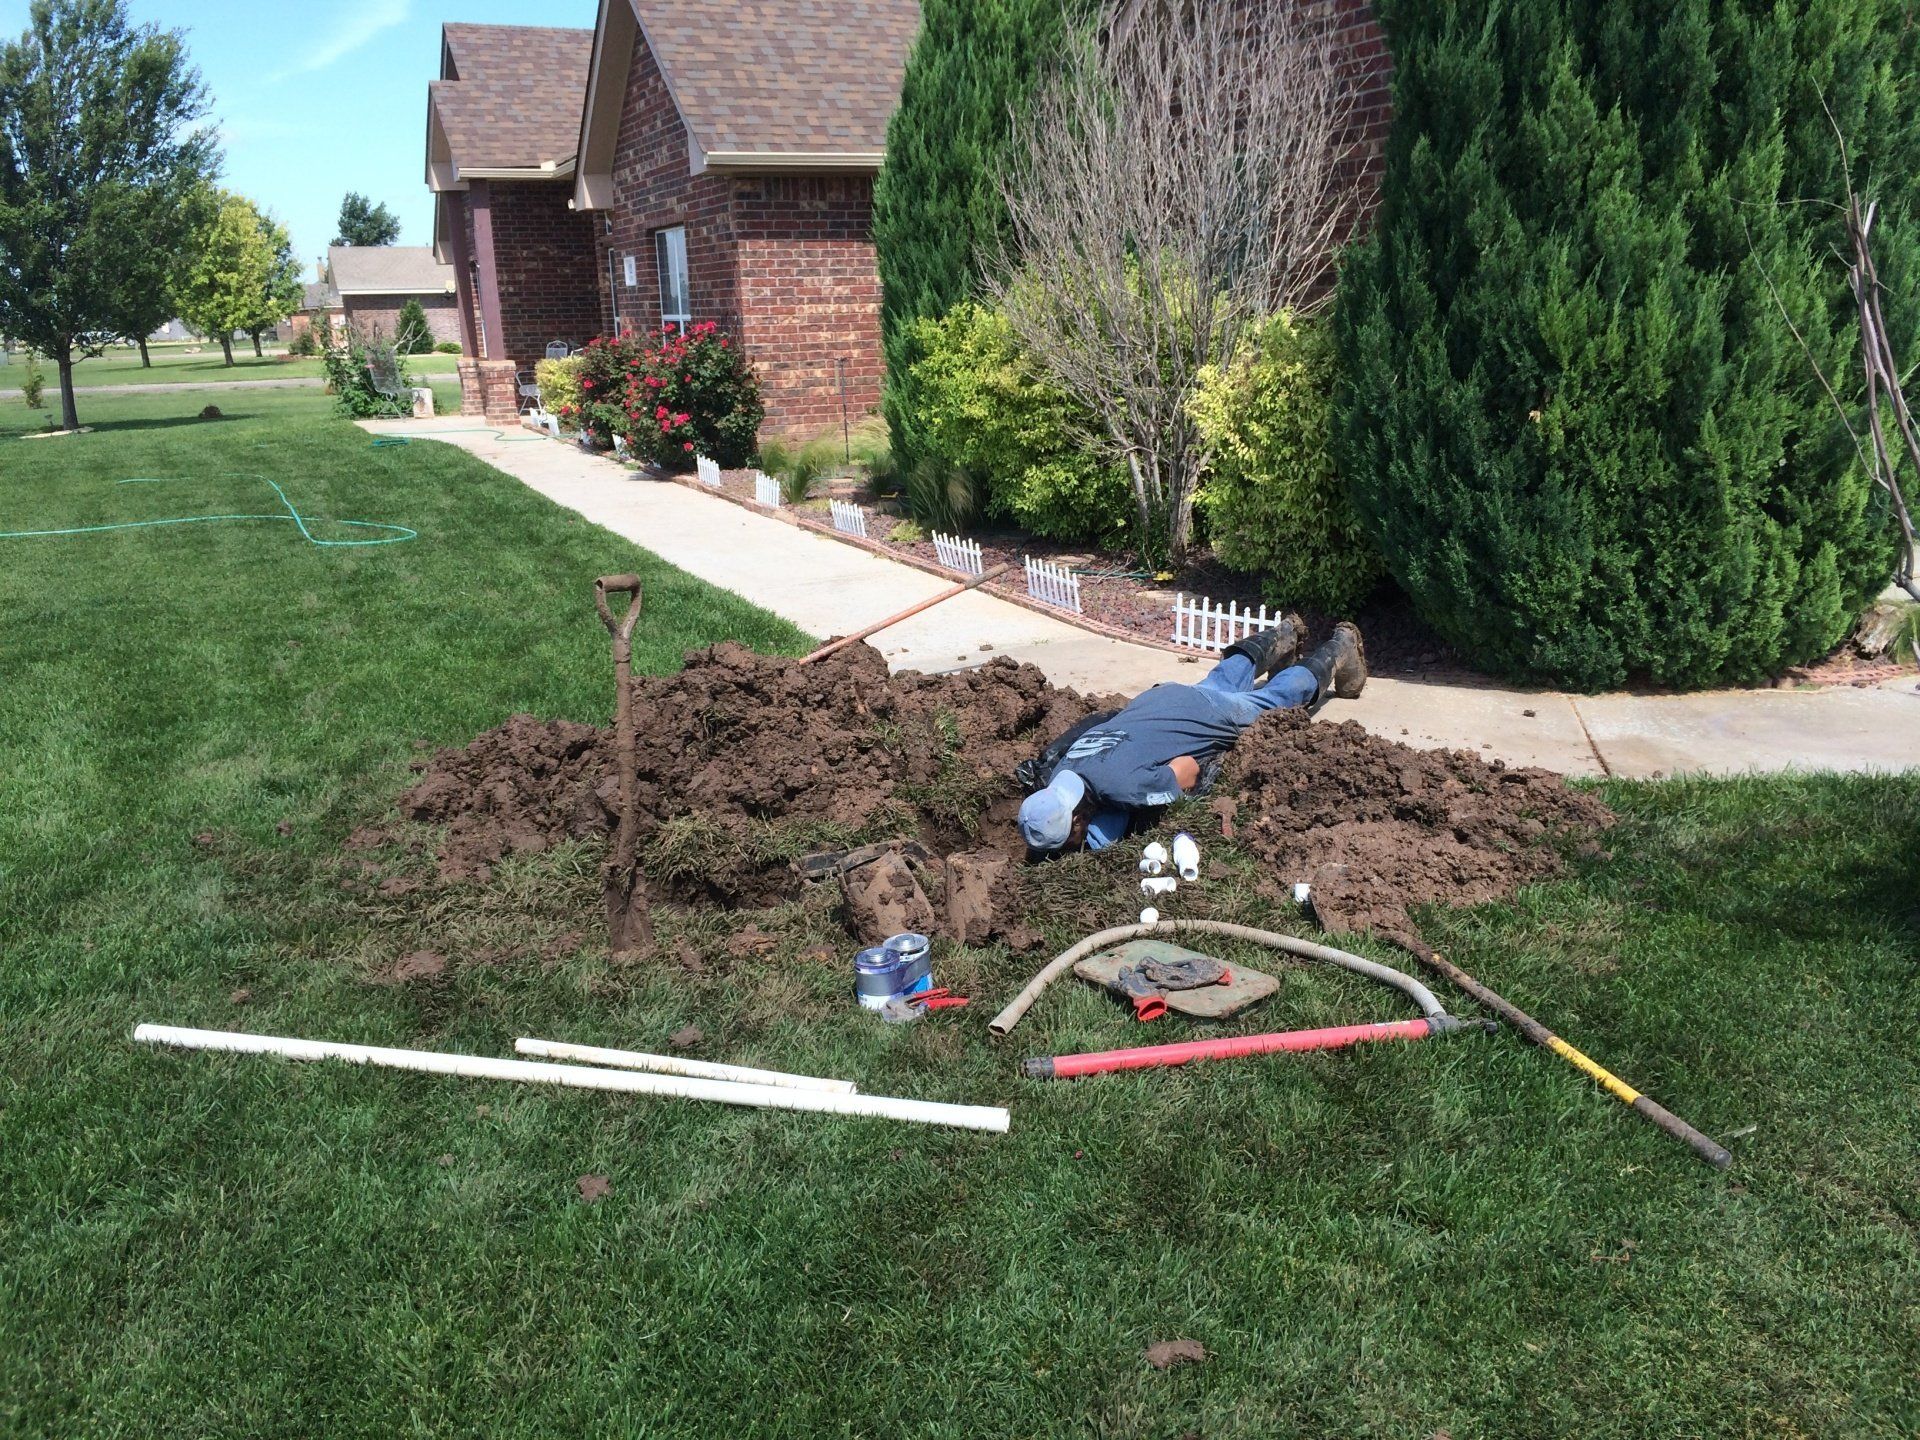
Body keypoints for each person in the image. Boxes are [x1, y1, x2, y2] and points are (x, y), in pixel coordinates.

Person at [1016, 617, 1368, 857]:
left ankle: (1342, 646)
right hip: (1159, 700)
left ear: (1078, 820)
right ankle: (1286, 631)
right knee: (1222, 678)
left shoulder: (1124, 788)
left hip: (1208, 714)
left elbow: (1187, 770)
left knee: (1273, 701)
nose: (1067, 851)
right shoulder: (1065, 766)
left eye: (1068, 842)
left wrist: (1146, 794)